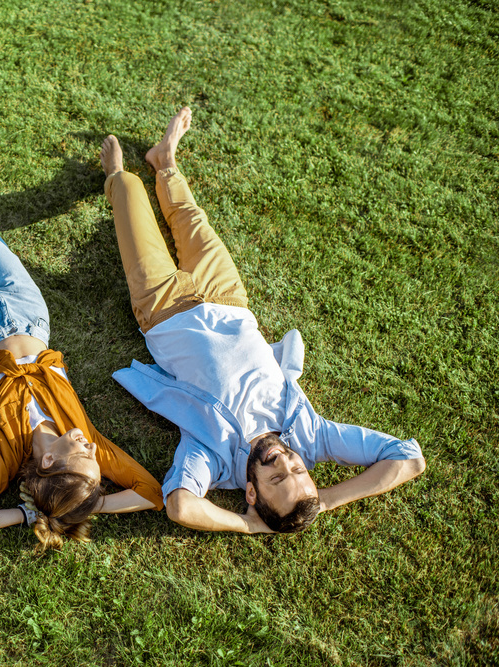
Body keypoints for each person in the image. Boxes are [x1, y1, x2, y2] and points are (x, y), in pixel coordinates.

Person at [100, 107, 426, 534]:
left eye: (276, 477)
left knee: (128, 198)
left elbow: (180, 505)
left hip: (163, 308)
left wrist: (249, 526)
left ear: (251, 493)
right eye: (300, 472)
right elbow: (408, 458)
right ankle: (164, 160)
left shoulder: (213, 457)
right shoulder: (311, 438)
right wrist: (323, 500)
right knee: (189, 217)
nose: (287, 462)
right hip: (228, 298)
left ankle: (115, 172)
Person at [0, 141, 164, 549]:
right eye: (96, 459)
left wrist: (32, 513)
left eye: (84, 458)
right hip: (31, 317)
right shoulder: (82, 432)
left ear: (47, 462)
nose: (91, 447)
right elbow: (151, 492)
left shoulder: (3, 458)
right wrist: (86, 502)